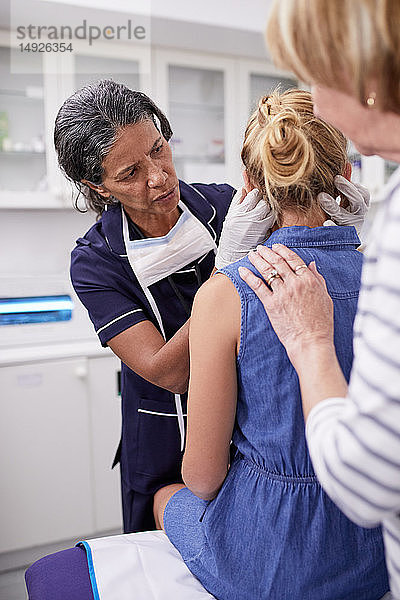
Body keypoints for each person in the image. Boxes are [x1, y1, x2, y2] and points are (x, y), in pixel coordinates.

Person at [153, 89, 389, 600]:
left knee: (167, 497)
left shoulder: (226, 294)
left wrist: (225, 269)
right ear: (347, 179)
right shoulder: (386, 278)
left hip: (276, 563)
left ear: (251, 187)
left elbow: (203, 477)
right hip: (373, 552)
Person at [54, 79, 273, 533]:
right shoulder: (97, 263)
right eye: (129, 173)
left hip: (252, 428)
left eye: (158, 149)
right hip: (164, 443)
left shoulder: (225, 207)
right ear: (98, 185)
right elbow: (170, 372)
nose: (157, 175)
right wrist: (226, 270)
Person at [239, 1, 400, 597]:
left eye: (314, 72)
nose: (312, 93)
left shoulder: (233, 291)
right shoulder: (373, 243)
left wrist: (311, 342)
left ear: (367, 78)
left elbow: (365, 480)